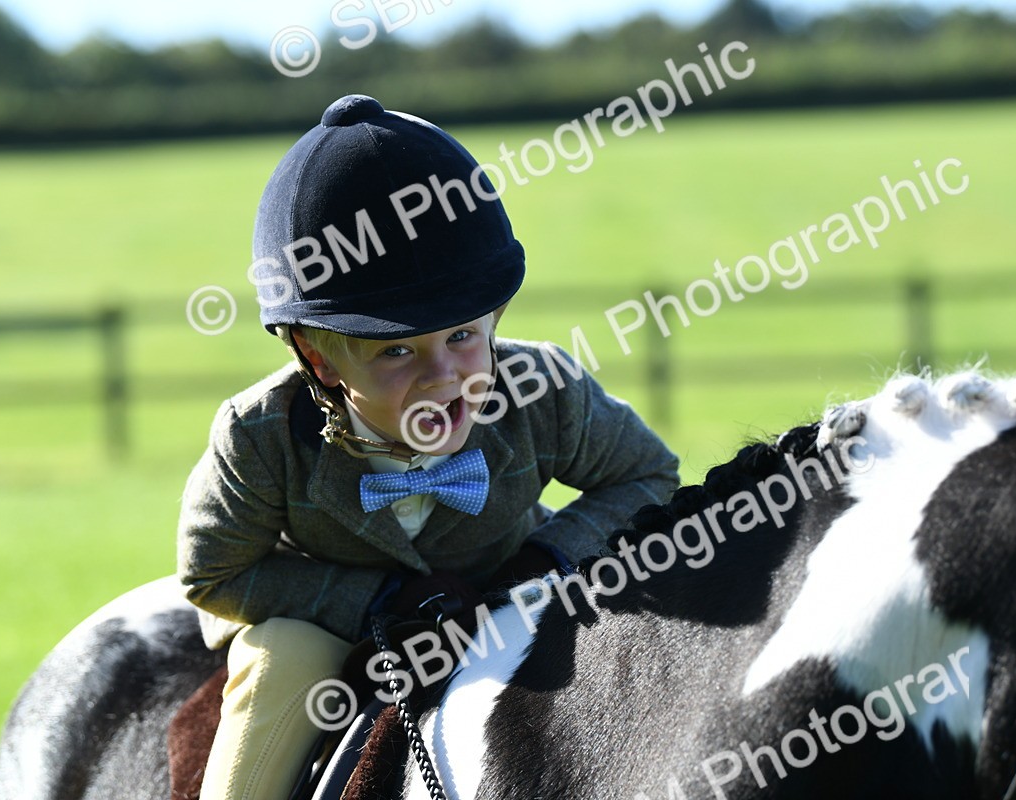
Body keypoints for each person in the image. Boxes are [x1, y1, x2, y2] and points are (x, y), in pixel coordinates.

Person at [177, 94, 680, 800]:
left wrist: (540, 564)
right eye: (395, 353)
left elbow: (648, 476)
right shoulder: (258, 435)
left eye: (463, 337)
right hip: (330, 634)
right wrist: (379, 600)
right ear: (320, 361)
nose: (444, 377)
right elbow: (213, 576)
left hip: (517, 594)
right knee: (277, 658)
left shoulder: (546, 388)